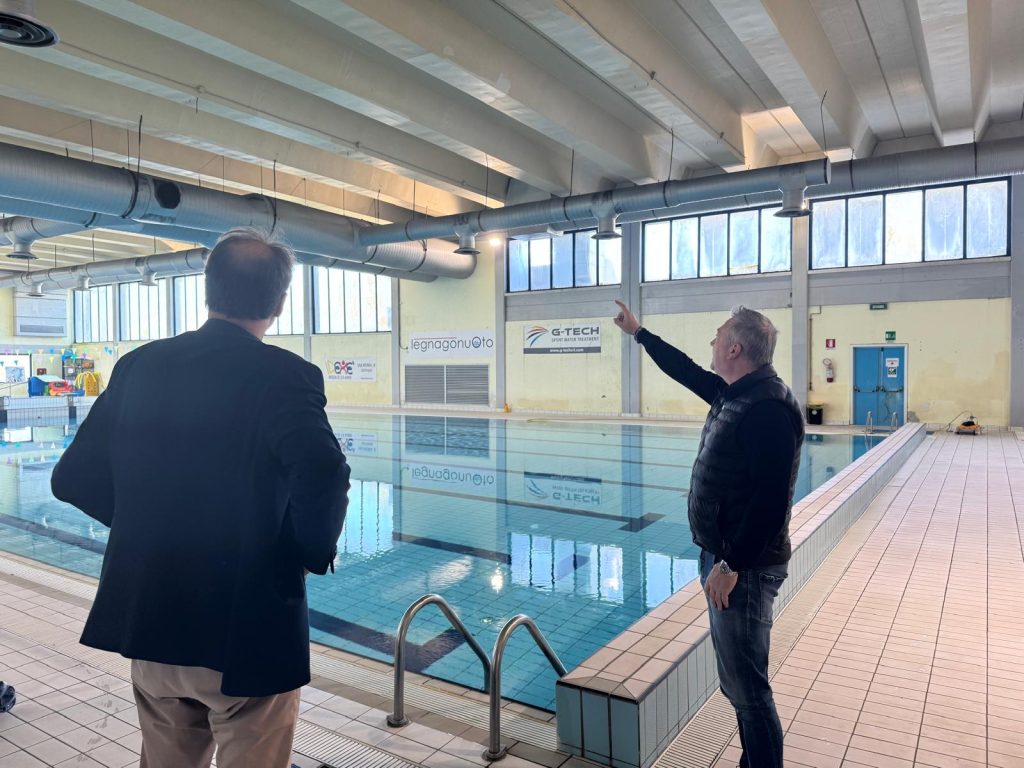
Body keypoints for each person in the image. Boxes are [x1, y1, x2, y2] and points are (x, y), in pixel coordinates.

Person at [52, 229, 350, 768]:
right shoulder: (285, 375)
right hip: (248, 626)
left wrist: (148, 524)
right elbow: (324, 470)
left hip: (152, 616)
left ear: (209, 290)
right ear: (279, 303)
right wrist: (305, 553)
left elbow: (72, 478)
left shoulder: (139, 365)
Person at [614, 300, 803, 768]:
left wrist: (731, 564)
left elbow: (770, 502)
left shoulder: (767, 409)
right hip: (727, 560)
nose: (712, 343)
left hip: (744, 568)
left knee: (749, 690)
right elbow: (684, 369)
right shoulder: (734, 393)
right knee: (738, 685)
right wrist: (639, 332)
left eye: (718, 336)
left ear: (735, 349)